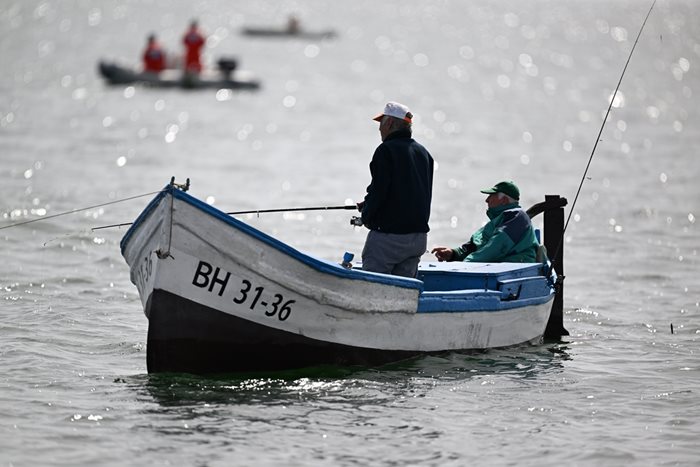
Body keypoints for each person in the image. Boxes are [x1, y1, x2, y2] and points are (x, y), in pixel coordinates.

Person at [358, 102, 434, 278]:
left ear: (390, 123)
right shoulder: (423, 153)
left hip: (389, 240)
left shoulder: (386, 150)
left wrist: (366, 216)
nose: (379, 129)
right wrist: (369, 204)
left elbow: (378, 191)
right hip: (418, 239)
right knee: (403, 292)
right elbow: (409, 192)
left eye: (381, 123)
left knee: (374, 289)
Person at [431, 180, 539, 263]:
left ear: (504, 200)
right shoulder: (500, 220)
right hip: (496, 271)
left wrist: (464, 265)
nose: (486, 200)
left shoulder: (517, 217)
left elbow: (495, 248)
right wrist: (454, 254)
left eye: (491, 196)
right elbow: (476, 245)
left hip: (516, 272)